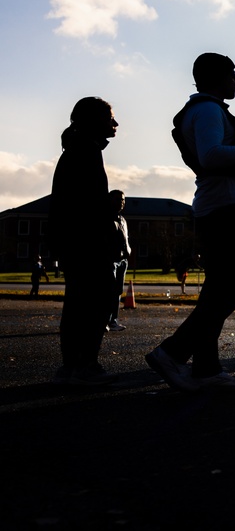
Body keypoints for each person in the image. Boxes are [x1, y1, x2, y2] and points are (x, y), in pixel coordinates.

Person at [145, 52, 235, 392]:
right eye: (231, 75)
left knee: (218, 289)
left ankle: (206, 367)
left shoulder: (208, 109)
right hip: (225, 207)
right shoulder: (207, 110)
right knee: (234, 287)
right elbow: (212, 156)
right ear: (216, 77)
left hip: (216, 205)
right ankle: (172, 353)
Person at [49, 97, 120, 385]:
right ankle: (86, 365)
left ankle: (71, 366)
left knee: (77, 301)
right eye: (110, 118)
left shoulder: (75, 149)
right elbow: (87, 204)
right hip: (87, 240)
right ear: (93, 121)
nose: (115, 124)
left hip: (73, 240)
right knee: (95, 300)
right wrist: (108, 209)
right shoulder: (87, 151)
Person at [107, 190, 130, 332]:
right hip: (110, 260)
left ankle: (113, 320)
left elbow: (126, 238)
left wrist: (128, 250)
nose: (121, 202)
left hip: (122, 260)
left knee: (117, 291)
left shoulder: (122, 220)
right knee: (108, 291)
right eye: (117, 199)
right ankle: (104, 320)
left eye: (123, 200)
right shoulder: (105, 218)